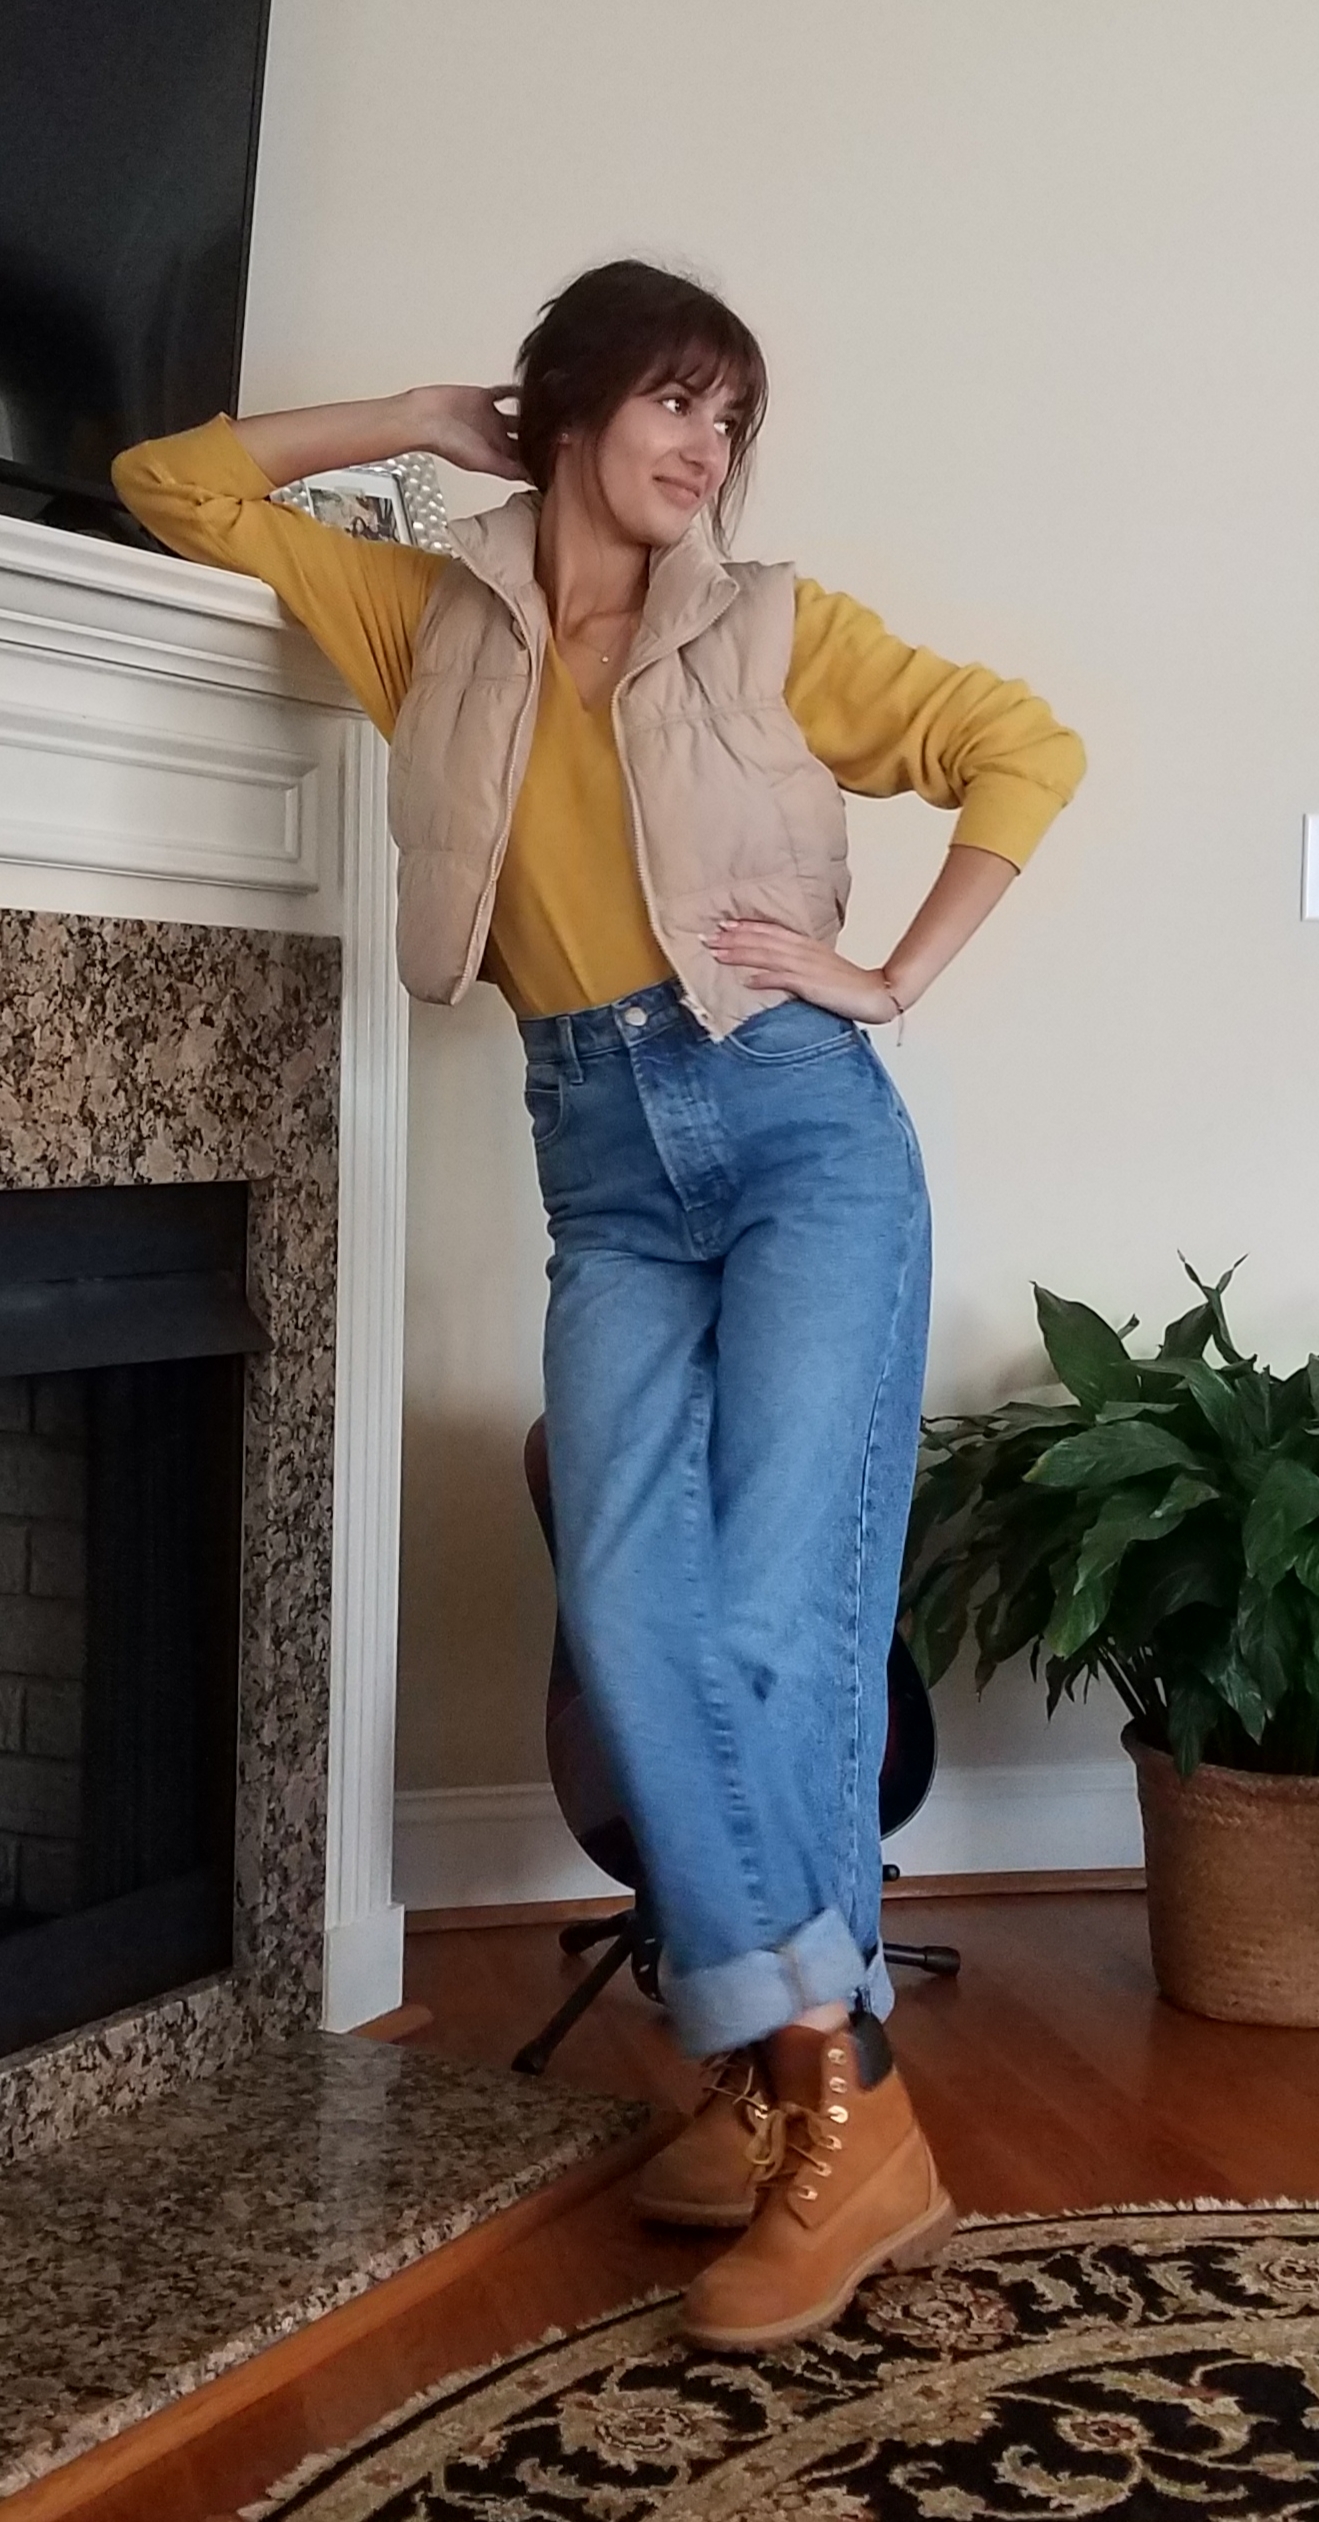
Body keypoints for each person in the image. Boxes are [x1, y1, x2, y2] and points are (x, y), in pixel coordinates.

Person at [113, 259, 1085, 2350]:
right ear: (562, 406)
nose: (706, 449)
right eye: (672, 400)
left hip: (802, 1136)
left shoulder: (774, 627)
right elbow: (169, 485)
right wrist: (410, 416)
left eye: (731, 419)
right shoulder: (428, 623)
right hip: (609, 1175)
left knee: (772, 1624)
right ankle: (794, 2083)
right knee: (637, 1623)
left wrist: (891, 978)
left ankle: (834, 2106)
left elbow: (1025, 744)